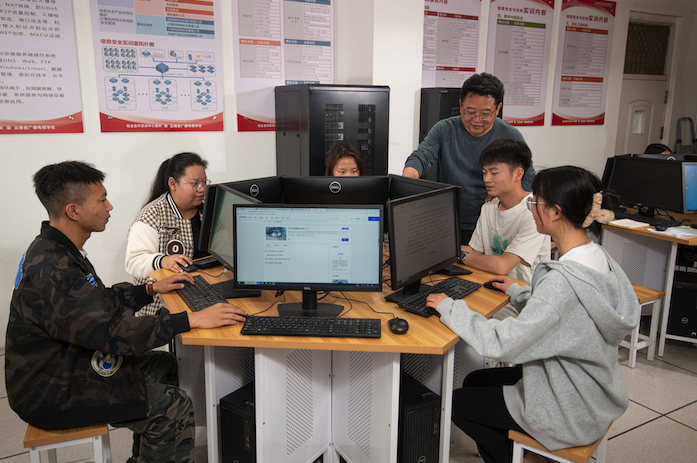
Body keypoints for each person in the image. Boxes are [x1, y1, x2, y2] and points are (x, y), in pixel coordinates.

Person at [6, 161, 247, 463]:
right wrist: (191, 319)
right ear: (73, 211)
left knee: (166, 366)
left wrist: (149, 289)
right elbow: (113, 333)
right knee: (173, 405)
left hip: (66, 361)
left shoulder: (57, 249)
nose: (109, 206)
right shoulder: (53, 269)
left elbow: (96, 303)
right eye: (101, 200)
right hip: (50, 391)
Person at [425, 166, 639, 463]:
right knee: (475, 381)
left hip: (567, 410)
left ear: (555, 212)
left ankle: (524, 458)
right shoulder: (598, 257)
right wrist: (519, 292)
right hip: (592, 391)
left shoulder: (561, 281)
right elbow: (566, 314)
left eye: (535, 202)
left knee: (457, 404)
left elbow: (504, 343)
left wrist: (450, 307)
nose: (531, 208)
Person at [403, 73, 534, 244]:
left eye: (485, 114)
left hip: (493, 221)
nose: (476, 120)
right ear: (460, 105)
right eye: (470, 112)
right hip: (449, 219)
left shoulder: (510, 135)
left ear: (497, 109)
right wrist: (407, 183)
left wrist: (506, 199)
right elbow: (421, 157)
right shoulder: (444, 129)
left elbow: (527, 176)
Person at [460, 138, 550, 319]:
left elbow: (502, 265)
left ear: (518, 174)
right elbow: (474, 250)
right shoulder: (489, 207)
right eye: (484, 172)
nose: (486, 179)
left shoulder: (533, 212)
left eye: (494, 173)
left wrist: (462, 256)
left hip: (523, 301)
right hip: (491, 289)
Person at [126, 152, 211, 315]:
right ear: (173, 183)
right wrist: (162, 260)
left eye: (204, 182)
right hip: (161, 306)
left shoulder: (208, 211)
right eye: (194, 184)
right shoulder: (151, 215)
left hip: (201, 294)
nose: (201, 189)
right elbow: (134, 262)